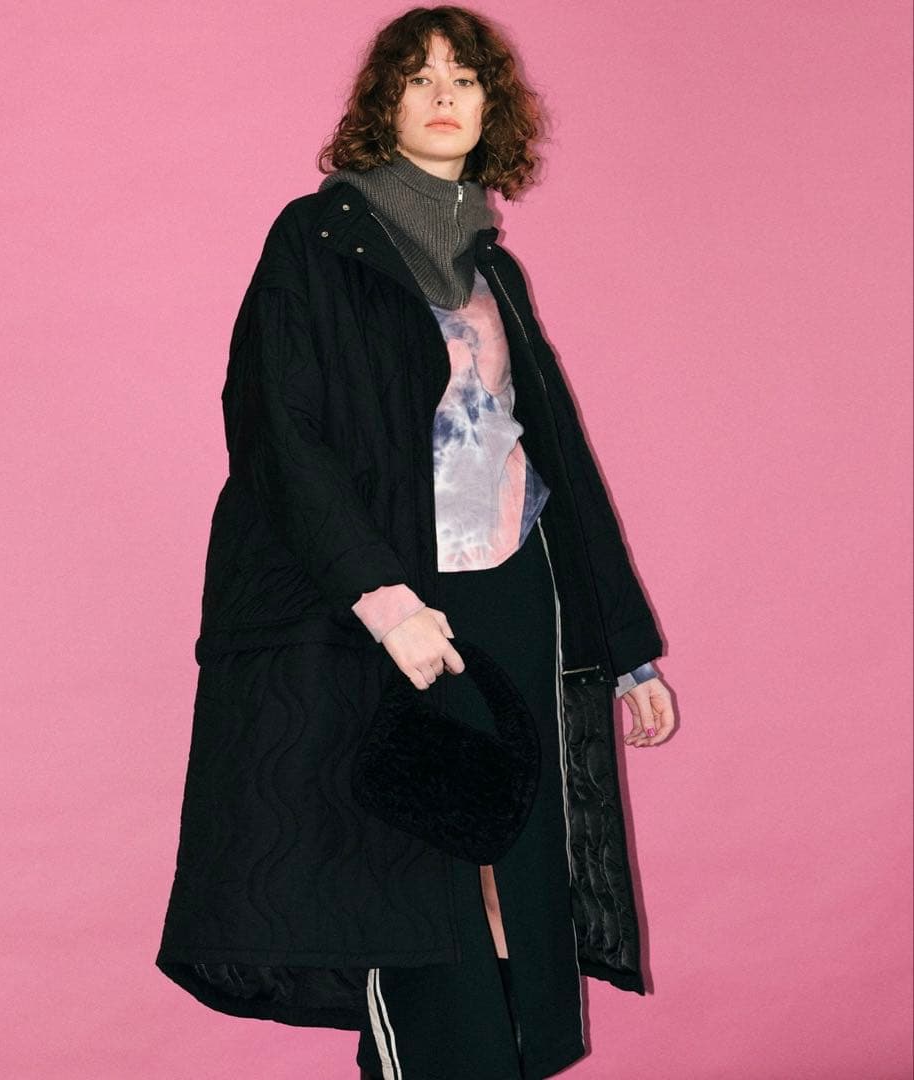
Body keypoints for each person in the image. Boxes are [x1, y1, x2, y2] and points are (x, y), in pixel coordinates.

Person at [155, 6, 675, 1079]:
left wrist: (624, 649)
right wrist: (383, 601)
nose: (444, 96)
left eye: (466, 79)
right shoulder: (318, 238)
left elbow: (558, 460)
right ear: (383, 104)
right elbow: (277, 428)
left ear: (492, 109)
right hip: (393, 601)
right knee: (416, 874)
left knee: (513, 868)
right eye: (419, 77)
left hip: (515, 592)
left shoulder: (494, 271)